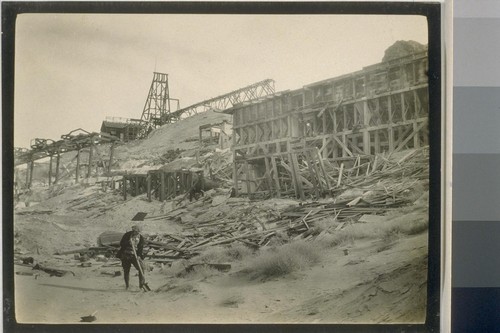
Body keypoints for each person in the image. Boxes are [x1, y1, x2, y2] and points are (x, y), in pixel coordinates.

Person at [116, 225, 146, 290]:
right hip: (126, 255)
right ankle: (127, 286)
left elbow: (140, 248)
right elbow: (121, 244)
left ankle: (141, 285)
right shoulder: (127, 235)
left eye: (138, 232)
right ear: (133, 230)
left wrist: (138, 256)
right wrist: (128, 242)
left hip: (134, 256)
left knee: (141, 269)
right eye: (136, 231)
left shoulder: (141, 238)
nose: (137, 233)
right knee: (126, 270)